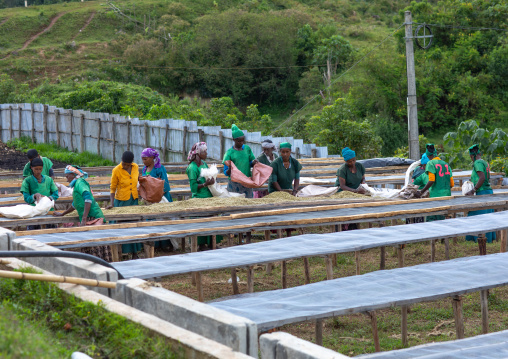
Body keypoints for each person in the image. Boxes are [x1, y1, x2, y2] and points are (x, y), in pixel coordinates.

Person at [53, 166, 112, 262]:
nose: (66, 179)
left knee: (95, 245)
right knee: (90, 246)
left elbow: (88, 199)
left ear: (73, 175)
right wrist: (62, 214)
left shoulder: (80, 183)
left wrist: (84, 218)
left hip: (93, 217)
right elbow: (75, 204)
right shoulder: (77, 184)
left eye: (67, 176)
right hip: (88, 217)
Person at [186, 142, 223, 251]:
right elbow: (193, 188)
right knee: (201, 222)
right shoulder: (192, 168)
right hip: (199, 198)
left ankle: (212, 243)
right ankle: (201, 245)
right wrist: (205, 184)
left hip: (208, 196)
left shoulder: (204, 164)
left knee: (211, 220)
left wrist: (211, 180)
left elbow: (208, 177)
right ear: (198, 153)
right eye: (205, 151)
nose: (206, 153)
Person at [106, 151, 141, 257]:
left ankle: (134, 252)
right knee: (121, 225)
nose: (125, 166)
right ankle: (120, 252)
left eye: (127, 164)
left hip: (133, 200)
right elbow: (112, 188)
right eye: (124, 164)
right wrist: (112, 204)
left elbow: (138, 180)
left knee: (133, 225)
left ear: (131, 163)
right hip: (121, 201)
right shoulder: (116, 170)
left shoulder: (135, 167)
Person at [141, 148, 174, 251]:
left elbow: (165, 185)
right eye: (142, 159)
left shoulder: (160, 169)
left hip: (161, 198)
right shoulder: (144, 170)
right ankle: (154, 244)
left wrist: (156, 196)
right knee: (152, 220)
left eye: (145, 159)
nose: (144, 161)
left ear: (152, 158)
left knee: (163, 220)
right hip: (150, 200)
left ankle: (165, 244)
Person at [465, 144, 496, 243]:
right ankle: (489, 239)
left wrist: (473, 190)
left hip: (482, 192)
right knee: (487, 216)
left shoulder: (477, 163)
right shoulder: (484, 162)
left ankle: (478, 239)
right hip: (488, 191)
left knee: (476, 215)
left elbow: (482, 177)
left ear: (472, 156)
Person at [416, 144, 454, 221]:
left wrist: (421, 192)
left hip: (436, 197)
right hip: (447, 197)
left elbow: (432, 180)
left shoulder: (431, 163)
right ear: (436, 153)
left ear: (428, 156)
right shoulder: (446, 164)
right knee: (444, 220)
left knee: (432, 221)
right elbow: (452, 183)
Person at [20, 157, 59, 230]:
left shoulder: (49, 180)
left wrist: (48, 199)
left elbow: (55, 193)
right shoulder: (27, 181)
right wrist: (34, 196)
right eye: (36, 169)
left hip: (48, 210)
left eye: (40, 169)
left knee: (52, 231)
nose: (38, 171)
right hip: (34, 211)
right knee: (33, 233)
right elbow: (26, 198)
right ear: (32, 168)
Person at [223, 124, 258, 198]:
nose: (241, 143)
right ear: (234, 140)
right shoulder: (229, 153)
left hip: (247, 182)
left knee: (248, 203)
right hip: (235, 184)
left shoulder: (247, 149)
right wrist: (230, 170)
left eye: (243, 141)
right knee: (235, 204)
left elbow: (250, 163)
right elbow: (226, 172)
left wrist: (254, 162)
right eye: (239, 141)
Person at [335, 147, 366, 231]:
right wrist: (355, 191)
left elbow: (363, 178)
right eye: (349, 161)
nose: (352, 163)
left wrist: (363, 183)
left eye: (353, 160)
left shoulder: (360, 166)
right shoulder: (342, 170)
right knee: (347, 207)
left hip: (356, 191)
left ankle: (353, 224)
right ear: (345, 161)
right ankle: (345, 226)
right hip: (343, 192)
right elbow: (342, 186)